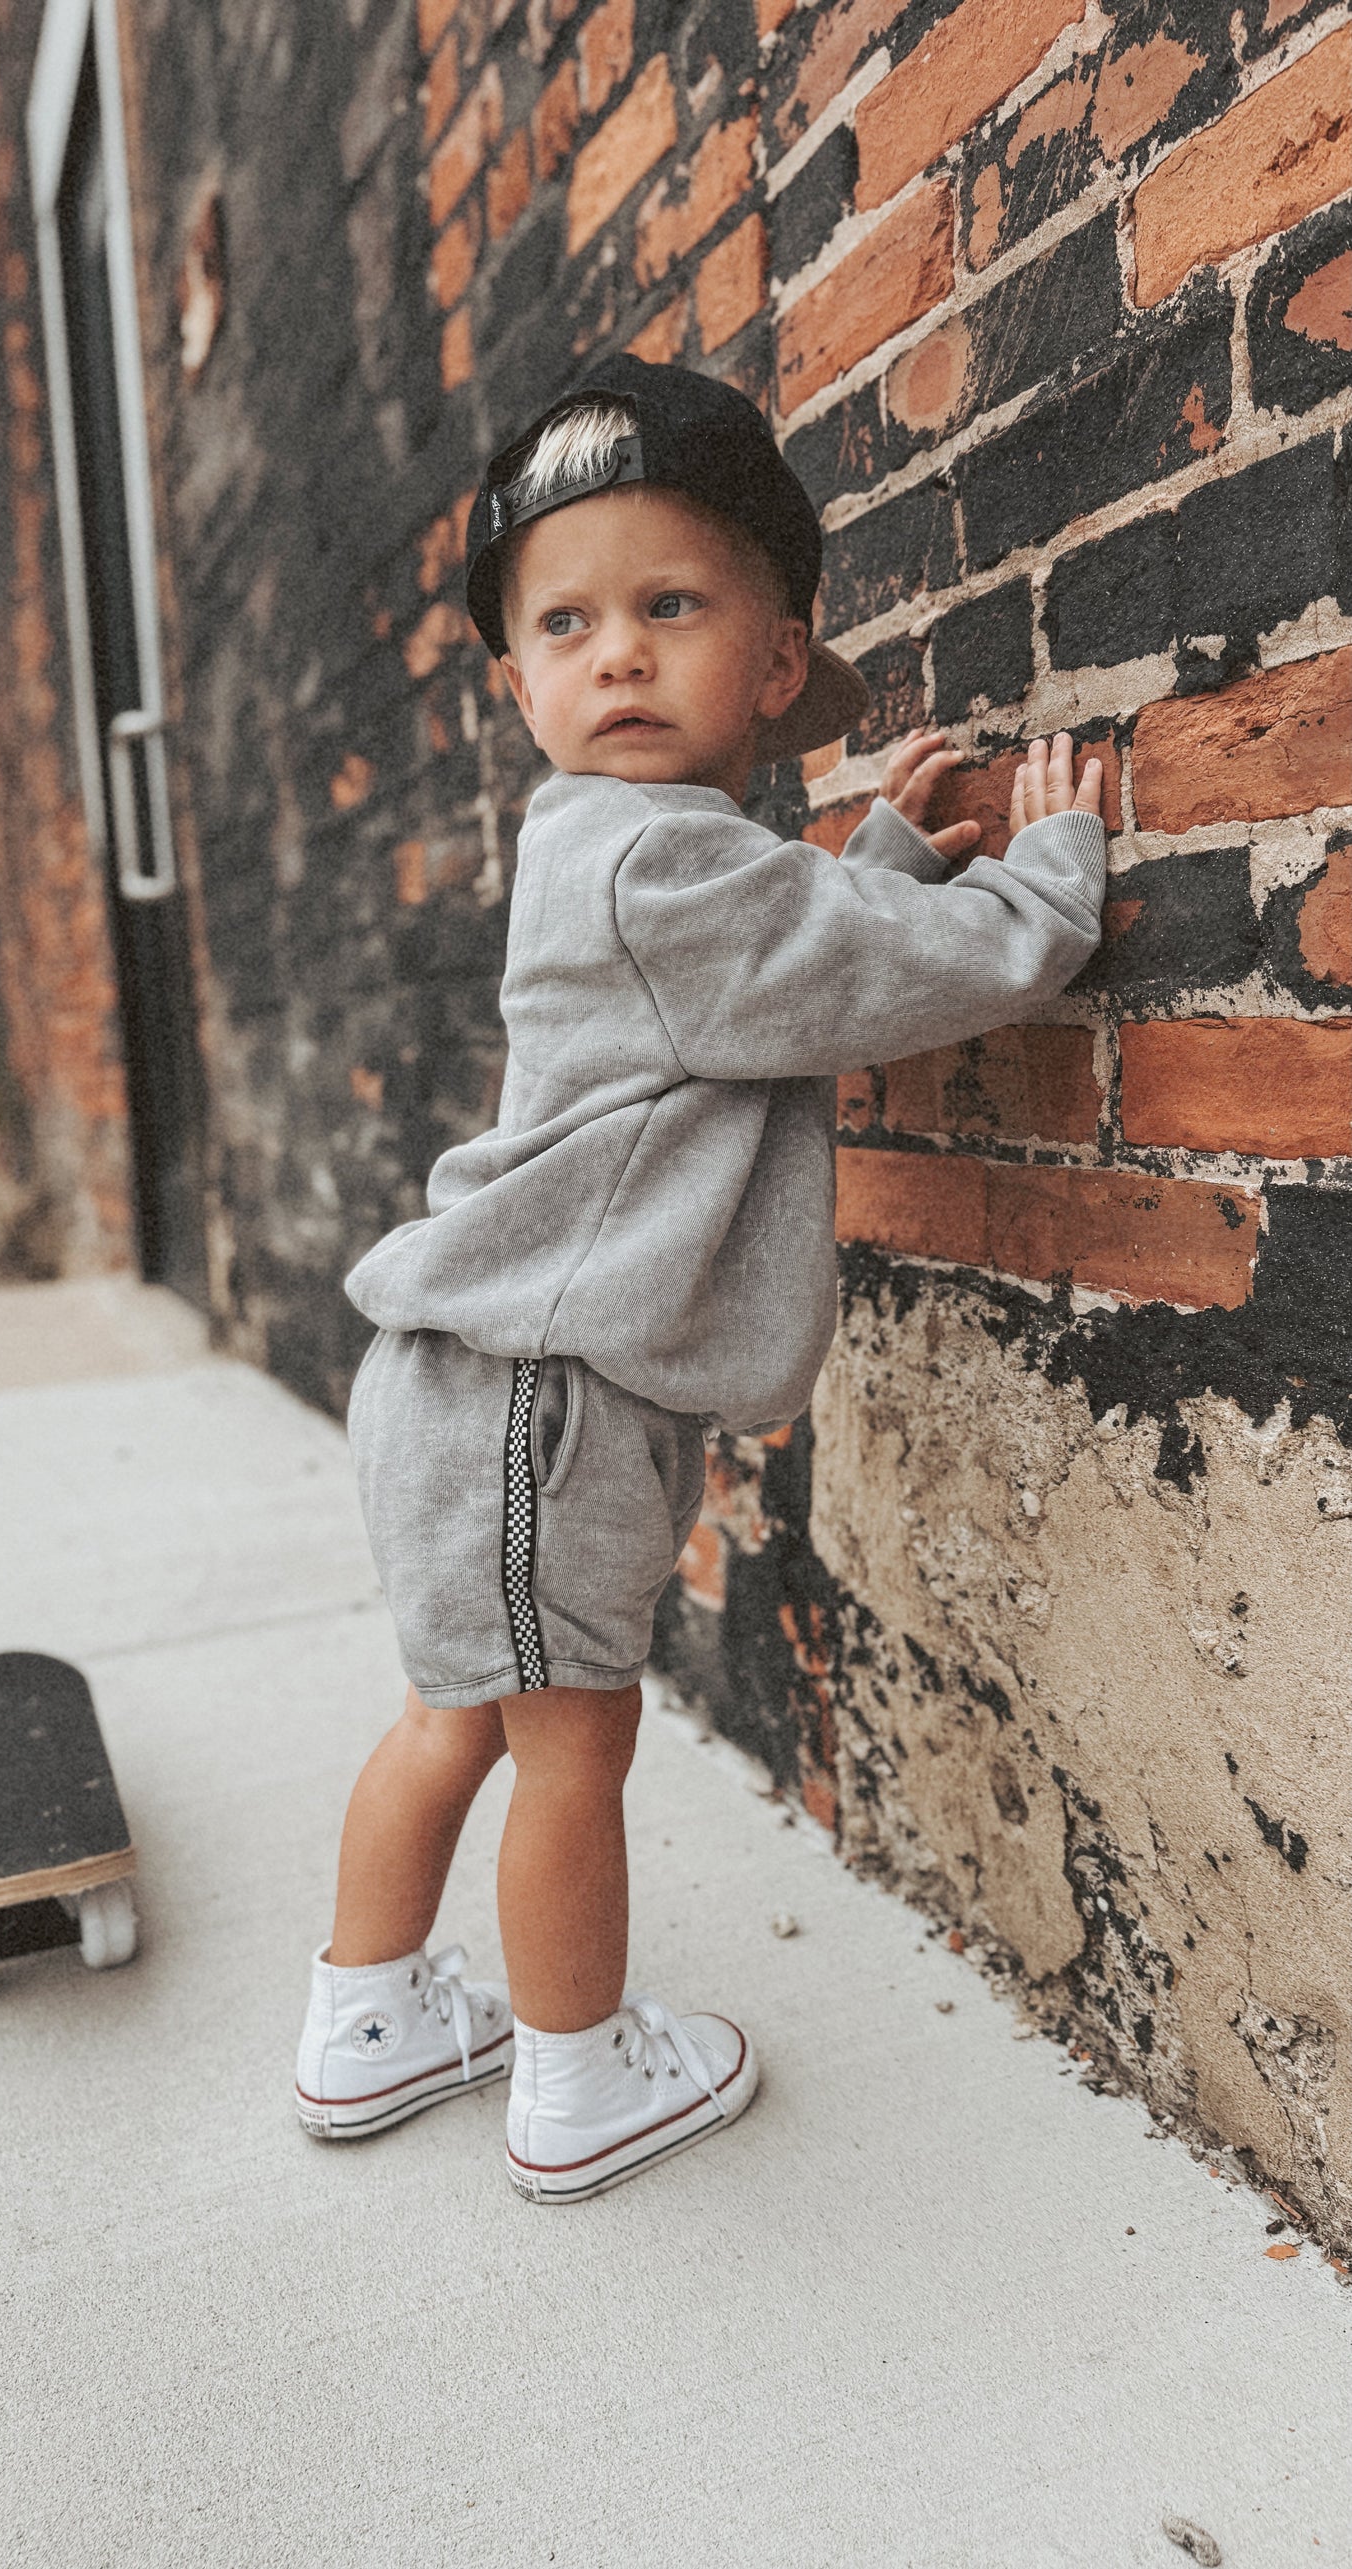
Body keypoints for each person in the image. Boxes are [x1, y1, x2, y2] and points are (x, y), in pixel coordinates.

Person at [294, 353, 1106, 2203]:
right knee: (574, 1739)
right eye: (566, 623)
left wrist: (877, 850)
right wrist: (1042, 879)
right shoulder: (666, 866)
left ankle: (370, 2018)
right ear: (518, 690)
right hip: (534, 1399)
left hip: (481, 1391)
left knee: (455, 1722)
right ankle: (575, 2080)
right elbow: (865, 970)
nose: (619, 654)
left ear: (771, 654)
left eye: (670, 604)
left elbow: (763, 976)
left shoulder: (636, 859)